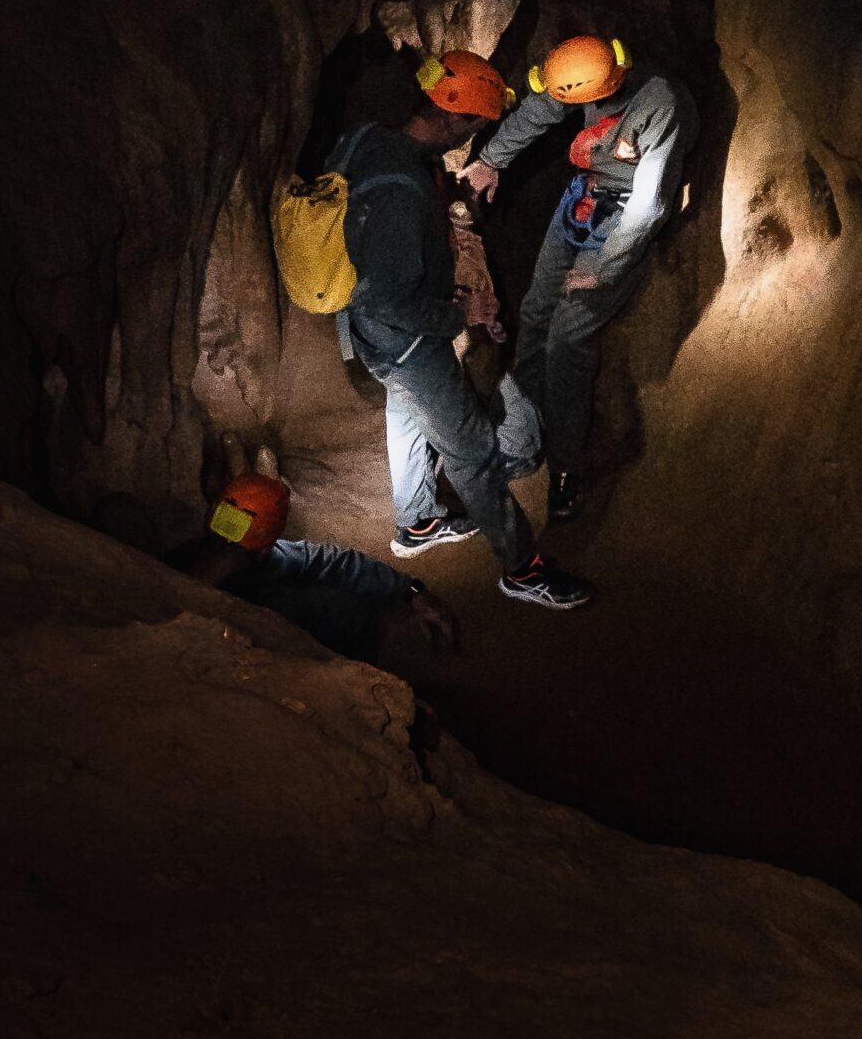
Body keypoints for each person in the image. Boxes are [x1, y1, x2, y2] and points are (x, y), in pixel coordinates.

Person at [339, 50, 595, 609]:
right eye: (476, 124)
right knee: (473, 451)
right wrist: (465, 316)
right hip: (402, 339)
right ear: (454, 118)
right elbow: (391, 298)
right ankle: (523, 570)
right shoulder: (402, 190)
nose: (476, 134)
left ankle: (418, 523)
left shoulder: (366, 140)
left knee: (403, 409)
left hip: (366, 330)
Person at [461, 35, 693, 522]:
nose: (562, 105)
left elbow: (650, 205)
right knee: (534, 313)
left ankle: (567, 469)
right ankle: (520, 441)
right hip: (583, 197)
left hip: (626, 210)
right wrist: (492, 159)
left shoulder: (660, 106)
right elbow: (537, 110)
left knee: (569, 337)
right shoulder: (582, 68)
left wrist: (602, 269)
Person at [172, 471, 460, 654]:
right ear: (266, 544)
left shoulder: (188, 557)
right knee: (342, 608)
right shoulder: (270, 594)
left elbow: (334, 561)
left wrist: (410, 590)